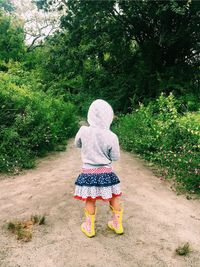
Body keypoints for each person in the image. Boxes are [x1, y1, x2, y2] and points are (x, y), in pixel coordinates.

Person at [74, 99, 123, 237]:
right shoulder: (112, 136)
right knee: (114, 198)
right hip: (106, 172)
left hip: (88, 172)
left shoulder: (83, 130)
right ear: (109, 116)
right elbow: (115, 157)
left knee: (90, 199)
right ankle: (117, 225)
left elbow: (77, 144)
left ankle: (89, 228)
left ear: (90, 114)